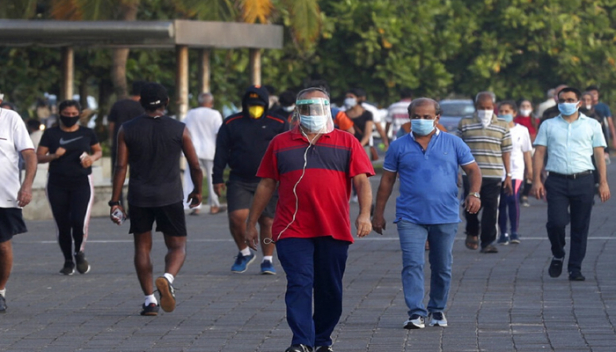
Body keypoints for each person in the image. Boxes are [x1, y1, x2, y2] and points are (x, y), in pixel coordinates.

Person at [244, 87, 374, 352]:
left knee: (329, 289)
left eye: (319, 108)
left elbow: (361, 181)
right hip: (292, 228)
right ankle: (301, 342)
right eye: (307, 108)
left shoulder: (347, 141)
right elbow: (266, 185)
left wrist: (364, 214)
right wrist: (251, 223)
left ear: (328, 109)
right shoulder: (280, 143)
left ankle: (322, 340)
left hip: (333, 228)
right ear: (298, 110)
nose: (313, 114)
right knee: (300, 283)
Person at [372, 98, 481, 329]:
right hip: (409, 216)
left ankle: (437, 310)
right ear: (409, 118)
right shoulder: (398, 146)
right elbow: (387, 181)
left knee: (442, 266)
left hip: (446, 215)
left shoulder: (454, 143)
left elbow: (473, 170)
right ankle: (416, 312)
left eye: (426, 116)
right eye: (416, 117)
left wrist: (475, 194)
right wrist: (377, 214)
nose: (421, 121)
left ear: (437, 118)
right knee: (412, 263)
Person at [109, 83, 203, 316]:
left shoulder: (126, 129)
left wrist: (115, 201)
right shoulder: (179, 129)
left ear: (140, 102)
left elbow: (121, 166)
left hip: (139, 196)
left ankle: (150, 300)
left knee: (142, 247)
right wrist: (197, 191)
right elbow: (195, 165)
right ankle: (167, 277)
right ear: (166, 102)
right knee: (178, 246)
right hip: (170, 196)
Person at [532, 87, 610, 281]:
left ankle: (575, 267)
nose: (566, 103)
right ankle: (558, 253)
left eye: (570, 99)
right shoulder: (548, 125)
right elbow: (539, 153)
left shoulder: (592, 125)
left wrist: (603, 183)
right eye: (562, 100)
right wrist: (536, 180)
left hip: (584, 180)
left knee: (580, 226)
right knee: (556, 223)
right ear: (557, 102)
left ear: (579, 103)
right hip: (557, 180)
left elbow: (599, 154)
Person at [213, 85, 289, 275]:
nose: (254, 108)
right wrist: (217, 177)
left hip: (270, 180)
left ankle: (267, 260)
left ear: (266, 105)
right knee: (236, 217)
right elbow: (221, 151)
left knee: (268, 221)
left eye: (258, 104)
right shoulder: (232, 122)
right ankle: (244, 252)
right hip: (240, 179)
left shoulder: (278, 122)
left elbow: (286, 151)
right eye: (250, 104)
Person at [37, 100, 102, 275]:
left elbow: (98, 151)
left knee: (79, 221)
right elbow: (38, 157)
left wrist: (91, 158)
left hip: (81, 182)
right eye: (67, 114)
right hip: (57, 183)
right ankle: (67, 260)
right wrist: (53, 156)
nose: (71, 117)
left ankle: (79, 253)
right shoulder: (51, 134)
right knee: (63, 224)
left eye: (74, 114)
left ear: (79, 114)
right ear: (60, 114)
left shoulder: (87, 133)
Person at [457, 92, 512, 253]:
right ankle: (472, 231)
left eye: (489, 108)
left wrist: (508, 175)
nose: (486, 110)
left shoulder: (502, 125)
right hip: (471, 175)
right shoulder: (465, 123)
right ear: (476, 107)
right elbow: (456, 149)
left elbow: (506, 151)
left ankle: (487, 241)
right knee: (471, 206)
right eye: (482, 108)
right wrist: (457, 171)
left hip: (493, 173)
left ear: (493, 107)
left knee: (491, 208)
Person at [0, 106, 37, 313]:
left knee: (3, 247)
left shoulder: (10, 118)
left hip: (4, 196)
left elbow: (29, 155)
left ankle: (0, 291)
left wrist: (27, 185)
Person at [496, 101, 533, 245]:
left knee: (513, 198)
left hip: (516, 171)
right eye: (501, 111)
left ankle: (514, 232)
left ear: (514, 113)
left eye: (507, 111)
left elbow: (526, 152)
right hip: (499, 171)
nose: (504, 114)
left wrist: (530, 171)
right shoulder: (496, 130)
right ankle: (503, 233)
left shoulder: (521, 130)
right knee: (502, 202)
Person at [182, 92, 225, 215]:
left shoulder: (191, 114)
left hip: (193, 150)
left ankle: (195, 206)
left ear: (199, 102)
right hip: (210, 150)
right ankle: (214, 206)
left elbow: (184, 130)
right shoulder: (215, 114)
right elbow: (219, 133)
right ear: (211, 103)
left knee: (191, 179)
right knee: (212, 178)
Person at [108, 80, 146, 203]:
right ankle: (134, 204)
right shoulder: (144, 107)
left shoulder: (118, 104)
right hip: (139, 145)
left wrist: (112, 139)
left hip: (119, 144)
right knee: (138, 176)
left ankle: (118, 203)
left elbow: (111, 126)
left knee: (118, 173)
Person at [585, 85, 616, 164]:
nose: (593, 96)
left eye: (595, 93)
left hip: (602, 136)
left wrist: (614, 138)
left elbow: (610, 123)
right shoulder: (583, 108)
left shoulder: (603, 107)